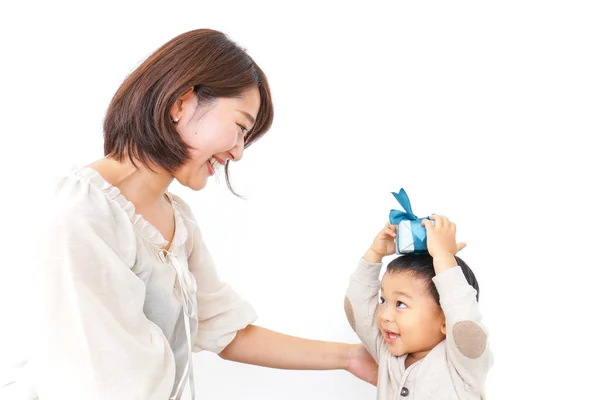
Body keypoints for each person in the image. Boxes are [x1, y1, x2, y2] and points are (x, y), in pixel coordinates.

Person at [1, 29, 377, 399]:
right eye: (240, 127)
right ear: (181, 103)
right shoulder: (81, 212)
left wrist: (350, 358)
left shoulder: (177, 220)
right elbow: (98, 377)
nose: (238, 152)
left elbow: (224, 329)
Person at [344, 216, 493, 399]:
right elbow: (357, 308)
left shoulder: (463, 362)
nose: (385, 316)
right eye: (383, 301)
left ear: (446, 320)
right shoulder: (387, 352)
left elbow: (464, 320)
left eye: (400, 304)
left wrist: (443, 256)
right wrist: (375, 253)